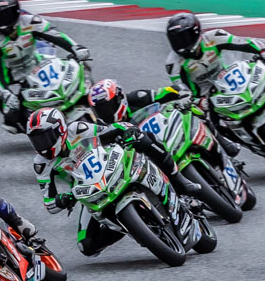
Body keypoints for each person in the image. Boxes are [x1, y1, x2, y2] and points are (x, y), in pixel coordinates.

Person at [26, 106, 200, 258]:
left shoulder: (77, 129)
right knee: (86, 246)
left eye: (45, 138)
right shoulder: (41, 164)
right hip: (89, 192)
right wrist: (63, 200)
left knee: (144, 138)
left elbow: (108, 130)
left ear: (60, 130)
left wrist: (124, 131)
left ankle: (179, 179)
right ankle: (130, 226)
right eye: (36, 141)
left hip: (111, 165)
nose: (42, 146)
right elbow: (49, 204)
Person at [0, 0, 93, 129]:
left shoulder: (29, 21)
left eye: (6, 15)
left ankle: (93, 104)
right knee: (12, 119)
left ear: (16, 11)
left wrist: (75, 47)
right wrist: (6, 94)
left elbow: (54, 34)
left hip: (37, 64)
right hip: (14, 77)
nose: (2, 21)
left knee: (80, 66)